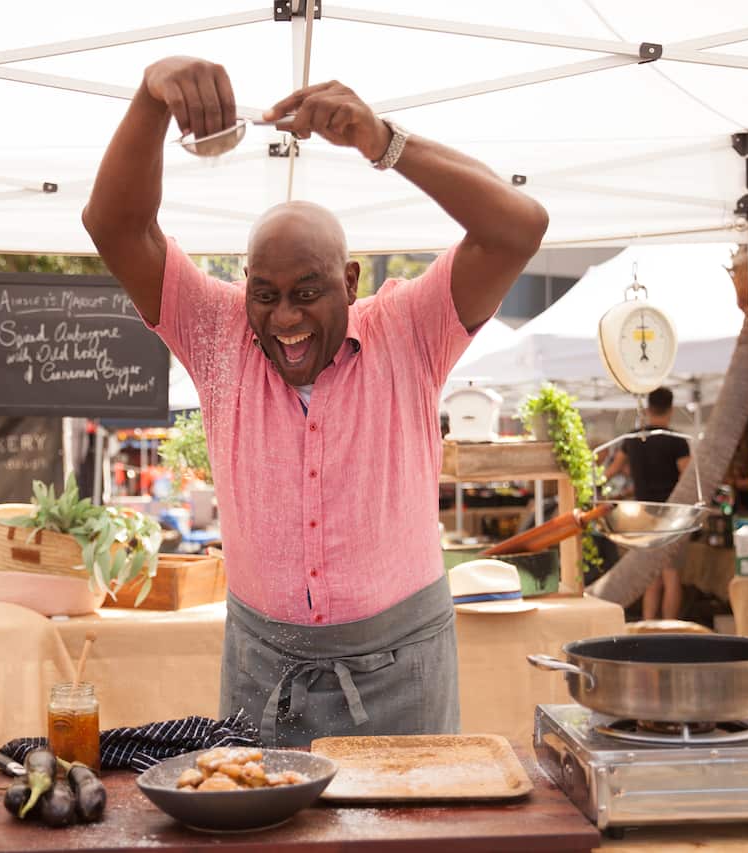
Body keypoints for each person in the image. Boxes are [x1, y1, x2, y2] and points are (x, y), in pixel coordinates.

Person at [82, 57, 547, 745]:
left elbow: (518, 227)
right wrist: (152, 95)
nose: (284, 318)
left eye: (307, 291)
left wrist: (384, 141)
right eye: (264, 294)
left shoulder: (409, 331)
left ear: (350, 279)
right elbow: (116, 227)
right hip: (264, 669)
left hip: (403, 669)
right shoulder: (219, 333)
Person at [603, 387, 690, 620]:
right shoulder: (677, 441)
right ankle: (669, 629)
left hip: (641, 516)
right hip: (671, 517)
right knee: (671, 577)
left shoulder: (632, 439)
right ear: (671, 409)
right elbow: (687, 477)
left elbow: (610, 472)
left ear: (648, 409)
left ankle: (648, 624)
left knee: (650, 576)